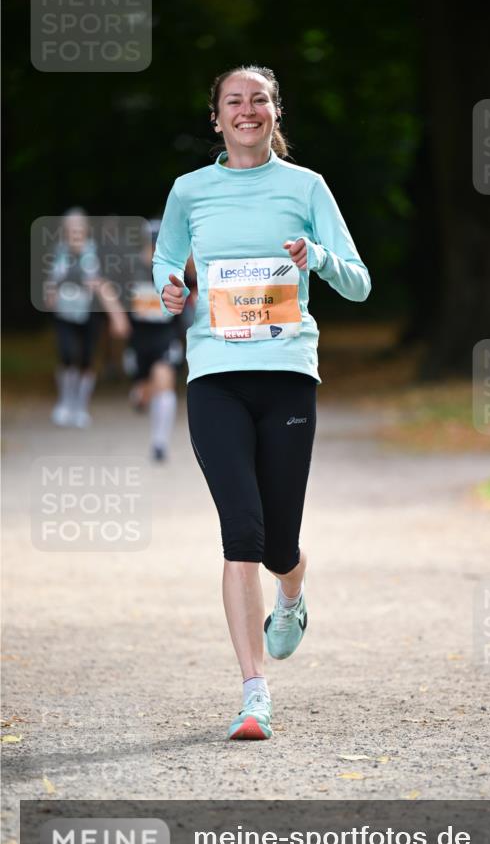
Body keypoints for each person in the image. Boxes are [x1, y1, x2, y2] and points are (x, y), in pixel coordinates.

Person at [153, 64, 371, 740]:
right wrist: (169, 288)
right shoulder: (190, 190)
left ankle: (293, 591)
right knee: (240, 533)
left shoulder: (306, 188)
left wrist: (317, 260)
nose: (247, 110)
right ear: (216, 118)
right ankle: (254, 694)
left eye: (260, 100)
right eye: (233, 102)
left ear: (276, 113)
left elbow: (359, 283)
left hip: (286, 373)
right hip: (215, 374)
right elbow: (166, 261)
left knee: (278, 543)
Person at [47, 208, 129, 427]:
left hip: (90, 313)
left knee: (86, 359)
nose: (75, 233)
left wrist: (117, 315)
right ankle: (65, 402)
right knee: (67, 355)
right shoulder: (58, 253)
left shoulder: (96, 253)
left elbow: (104, 285)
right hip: (65, 314)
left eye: (79, 228)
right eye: (71, 229)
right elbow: (50, 282)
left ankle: (80, 406)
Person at [124, 220, 182, 461]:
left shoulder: (174, 273)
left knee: (164, 382)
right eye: (152, 247)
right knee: (144, 391)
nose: (155, 252)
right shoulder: (130, 274)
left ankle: (159, 444)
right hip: (138, 345)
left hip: (166, 341)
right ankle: (142, 394)